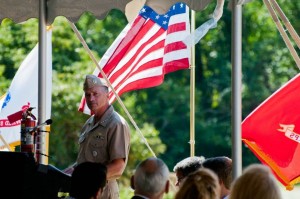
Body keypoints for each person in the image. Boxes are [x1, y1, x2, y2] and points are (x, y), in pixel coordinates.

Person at [64, 74, 131, 199]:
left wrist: (88, 179)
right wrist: (69, 172)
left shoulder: (116, 124)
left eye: (95, 94)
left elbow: (118, 167)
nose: (91, 99)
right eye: (88, 95)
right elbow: (85, 161)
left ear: (108, 95)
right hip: (83, 192)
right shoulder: (89, 123)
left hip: (103, 192)